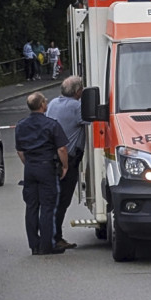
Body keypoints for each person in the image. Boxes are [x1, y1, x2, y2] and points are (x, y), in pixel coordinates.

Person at [16, 92, 68, 255]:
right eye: (45, 101)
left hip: (30, 168)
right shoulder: (51, 124)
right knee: (47, 207)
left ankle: (34, 245)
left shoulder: (21, 125)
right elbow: (61, 148)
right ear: (42, 105)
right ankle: (47, 245)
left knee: (31, 206)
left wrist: (29, 164)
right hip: (46, 168)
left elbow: (20, 150)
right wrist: (65, 166)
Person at [46, 76, 87, 250]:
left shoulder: (54, 103)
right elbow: (92, 120)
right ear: (78, 91)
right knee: (62, 200)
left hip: (51, 157)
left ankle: (50, 236)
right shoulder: (77, 107)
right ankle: (55, 238)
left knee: (53, 199)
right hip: (67, 160)